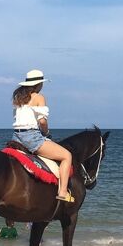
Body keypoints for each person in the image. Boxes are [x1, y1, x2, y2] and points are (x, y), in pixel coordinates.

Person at [11, 68, 74, 203]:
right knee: (67, 156)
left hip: (16, 137)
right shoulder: (39, 97)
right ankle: (63, 192)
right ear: (39, 84)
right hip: (32, 137)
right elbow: (42, 121)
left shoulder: (19, 98)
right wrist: (46, 132)